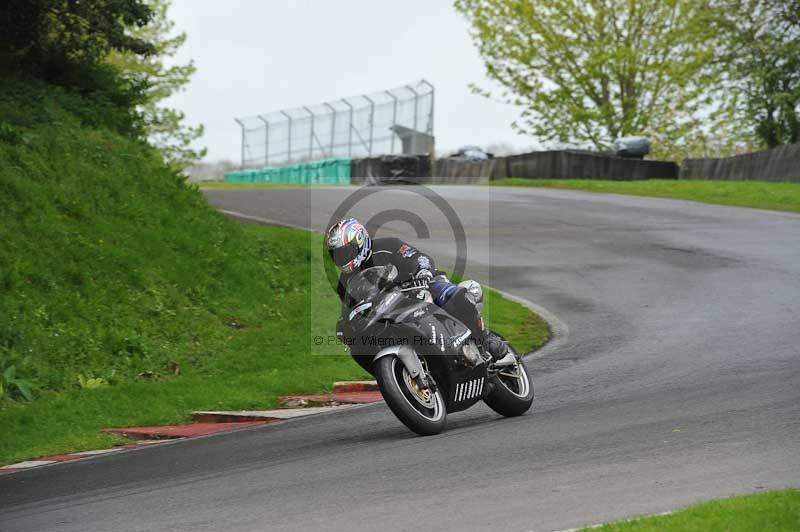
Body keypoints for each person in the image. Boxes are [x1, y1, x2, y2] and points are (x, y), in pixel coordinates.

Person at [326, 217, 508, 362]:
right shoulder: (344, 283)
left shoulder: (387, 246)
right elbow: (350, 309)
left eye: (345, 252)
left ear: (359, 242)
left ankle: (485, 338)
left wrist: (422, 272)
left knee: (453, 296)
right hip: (389, 310)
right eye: (337, 255)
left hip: (420, 285)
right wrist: (346, 327)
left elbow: (418, 257)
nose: (342, 259)